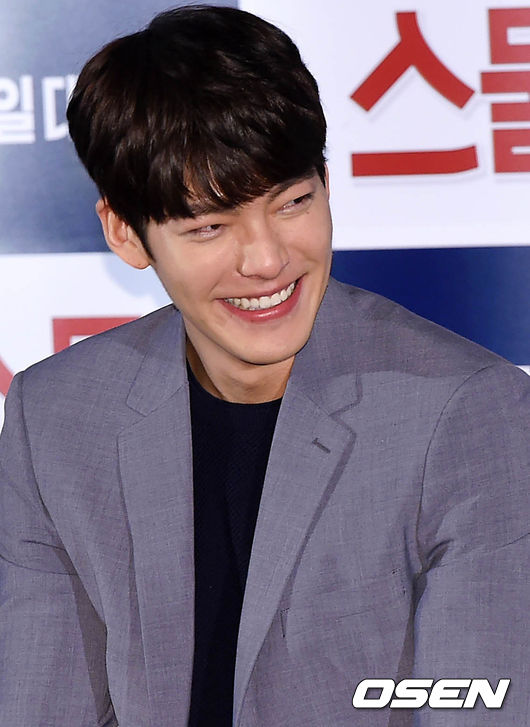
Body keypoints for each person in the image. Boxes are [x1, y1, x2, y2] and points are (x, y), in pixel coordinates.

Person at [0, 5, 529, 726]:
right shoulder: (57, 419)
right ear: (126, 233)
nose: (267, 259)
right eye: (210, 227)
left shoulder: (467, 413)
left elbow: (483, 706)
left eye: (293, 202)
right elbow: (41, 704)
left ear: (327, 184)